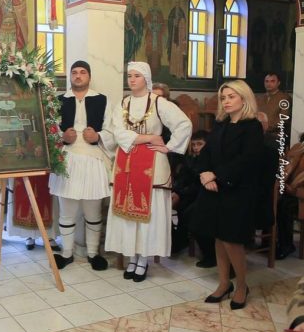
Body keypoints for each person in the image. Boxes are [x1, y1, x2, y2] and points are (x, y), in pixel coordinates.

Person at [103, 61, 192, 282]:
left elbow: (184, 124)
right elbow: (118, 133)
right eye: (129, 76)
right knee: (127, 214)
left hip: (151, 165)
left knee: (147, 215)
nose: (132, 79)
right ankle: (132, 257)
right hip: (126, 165)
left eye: (137, 76)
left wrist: (169, 147)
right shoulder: (123, 103)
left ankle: (143, 260)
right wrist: (150, 137)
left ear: (146, 79)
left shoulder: (159, 102)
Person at [190, 79, 264, 310]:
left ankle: (241, 285)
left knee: (232, 240)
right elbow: (207, 153)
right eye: (223, 97)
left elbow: (247, 160)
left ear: (244, 98)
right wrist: (204, 173)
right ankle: (224, 283)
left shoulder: (252, 127)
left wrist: (216, 175)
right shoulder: (221, 124)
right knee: (219, 238)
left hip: (238, 190)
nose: (226, 101)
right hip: (215, 189)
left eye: (232, 96)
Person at [49, 60, 111, 271]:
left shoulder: (102, 100)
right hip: (67, 158)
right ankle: (67, 253)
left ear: (89, 76)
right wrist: (62, 137)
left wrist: (98, 136)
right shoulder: (58, 100)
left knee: (93, 211)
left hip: (93, 158)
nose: (78, 75)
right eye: (74, 72)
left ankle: (93, 253)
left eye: (82, 72)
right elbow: (49, 129)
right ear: (70, 76)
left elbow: (112, 129)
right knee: (67, 211)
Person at [175, 130, 216, 266]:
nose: (196, 147)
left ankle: (211, 255)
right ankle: (179, 242)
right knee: (180, 206)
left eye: (199, 144)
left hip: (208, 197)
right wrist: (177, 193)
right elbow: (185, 179)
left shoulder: (211, 161)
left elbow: (199, 185)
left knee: (192, 215)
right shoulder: (191, 159)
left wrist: (182, 193)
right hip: (193, 196)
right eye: (193, 145)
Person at [257, 72, 291, 144]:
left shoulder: (284, 98)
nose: (269, 84)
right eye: (266, 81)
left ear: (278, 83)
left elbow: (284, 118)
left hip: (276, 137)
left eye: (272, 81)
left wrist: (266, 128)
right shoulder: (259, 98)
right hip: (259, 135)